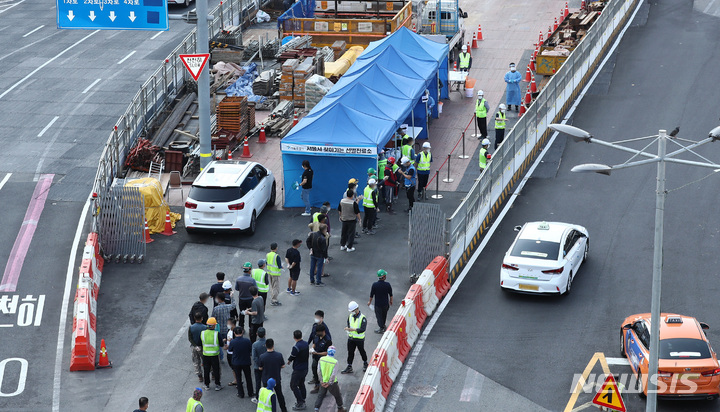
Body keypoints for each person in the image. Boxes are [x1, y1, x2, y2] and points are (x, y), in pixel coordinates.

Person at [259, 339, 288, 412]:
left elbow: (260, 368)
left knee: (267, 395)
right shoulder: (279, 355)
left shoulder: (262, 356)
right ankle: (284, 409)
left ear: (266, 345)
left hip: (266, 379)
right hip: (276, 379)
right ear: (273, 345)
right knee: (279, 395)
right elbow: (283, 365)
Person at [314, 346, 346, 412]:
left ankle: (316, 409)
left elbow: (318, 371)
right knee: (337, 395)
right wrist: (329, 383)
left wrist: (321, 381)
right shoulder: (335, 362)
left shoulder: (321, 359)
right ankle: (340, 408)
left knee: (321, 395)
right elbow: (333, 374)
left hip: (323, 381)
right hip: (332, 383)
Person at [341, 301, 368, 374]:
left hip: (359, 339)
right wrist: (348, 329)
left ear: (356, 309)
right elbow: (349, 324)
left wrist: (352, 329)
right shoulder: (350, 316)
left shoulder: (363, 318)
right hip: (351, 338)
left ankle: (365, 363)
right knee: (350, 352)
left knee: (361, 351)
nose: (352, 312)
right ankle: (349, 366)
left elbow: (363, 329)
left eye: (352, 311)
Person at [228, 326, 254, 399]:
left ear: (234, 333)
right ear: (242, 332)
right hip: (246, 361)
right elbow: (250, 349)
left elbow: (230, 350)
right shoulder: (247, 341)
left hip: (236, 362)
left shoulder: (233, 341)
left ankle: (241, 393)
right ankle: (250, 392)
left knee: (239, 378)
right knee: (248, 377)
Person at [287, 330, 309, 410]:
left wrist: (289, 361)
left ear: (294, 337)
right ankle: (303, 398)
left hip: (298, 369)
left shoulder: (296, 347)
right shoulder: (306, 344)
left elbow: (292, 356)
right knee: (301, 383)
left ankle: (300, 402)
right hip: (305, 368)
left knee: (293, 385)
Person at [308, 323, 332, 393]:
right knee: (314, 370)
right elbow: (314, 343)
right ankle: (317, 385)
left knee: (323, 374)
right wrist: (312, 348)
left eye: (319, 332)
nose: (317, 333)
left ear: (323, 331)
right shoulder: (316, 337)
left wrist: (317, 353)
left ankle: (324, 388)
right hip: (316, 358)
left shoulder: (328, 340)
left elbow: (327, 352)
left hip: (323, 360)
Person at [201, 317, 222, 391]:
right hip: (214, 355)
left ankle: (206, 385)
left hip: (205, 355)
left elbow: (199, 343)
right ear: (213, 326)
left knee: (206, 370)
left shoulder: (203, 333)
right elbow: (221, 344)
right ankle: (217, 384)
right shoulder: (217, 334)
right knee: (216, 370)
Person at [235, 262, 257, 328]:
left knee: (242, 313)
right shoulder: (252, 280)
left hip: (241, 299)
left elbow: (237, 288)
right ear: (249, 270)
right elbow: (255, 289)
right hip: (250, 299)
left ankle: (241, 327)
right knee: (251, 314)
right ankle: (251, 327)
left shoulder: (238, 279)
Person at [251, 327, 268, 404]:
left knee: (258, 383)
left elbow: (254, 357)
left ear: (257, 334)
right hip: (266, 367)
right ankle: (266, 397)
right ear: (265, 334)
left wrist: (259, 364)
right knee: (265, 382)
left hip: (257, 367)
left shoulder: (255, 344)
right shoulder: (268, 343)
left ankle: (258, 398)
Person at [188, 312, 206, 382]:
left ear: (195, 318)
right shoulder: (205, 327)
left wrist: (195, 346)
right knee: (206, 361)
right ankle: (212, 374)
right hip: (203, 347)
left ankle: (200, 376)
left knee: (196, 361)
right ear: (202, 318)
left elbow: (190, 338)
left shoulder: (191, 327)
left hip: (194, 347)